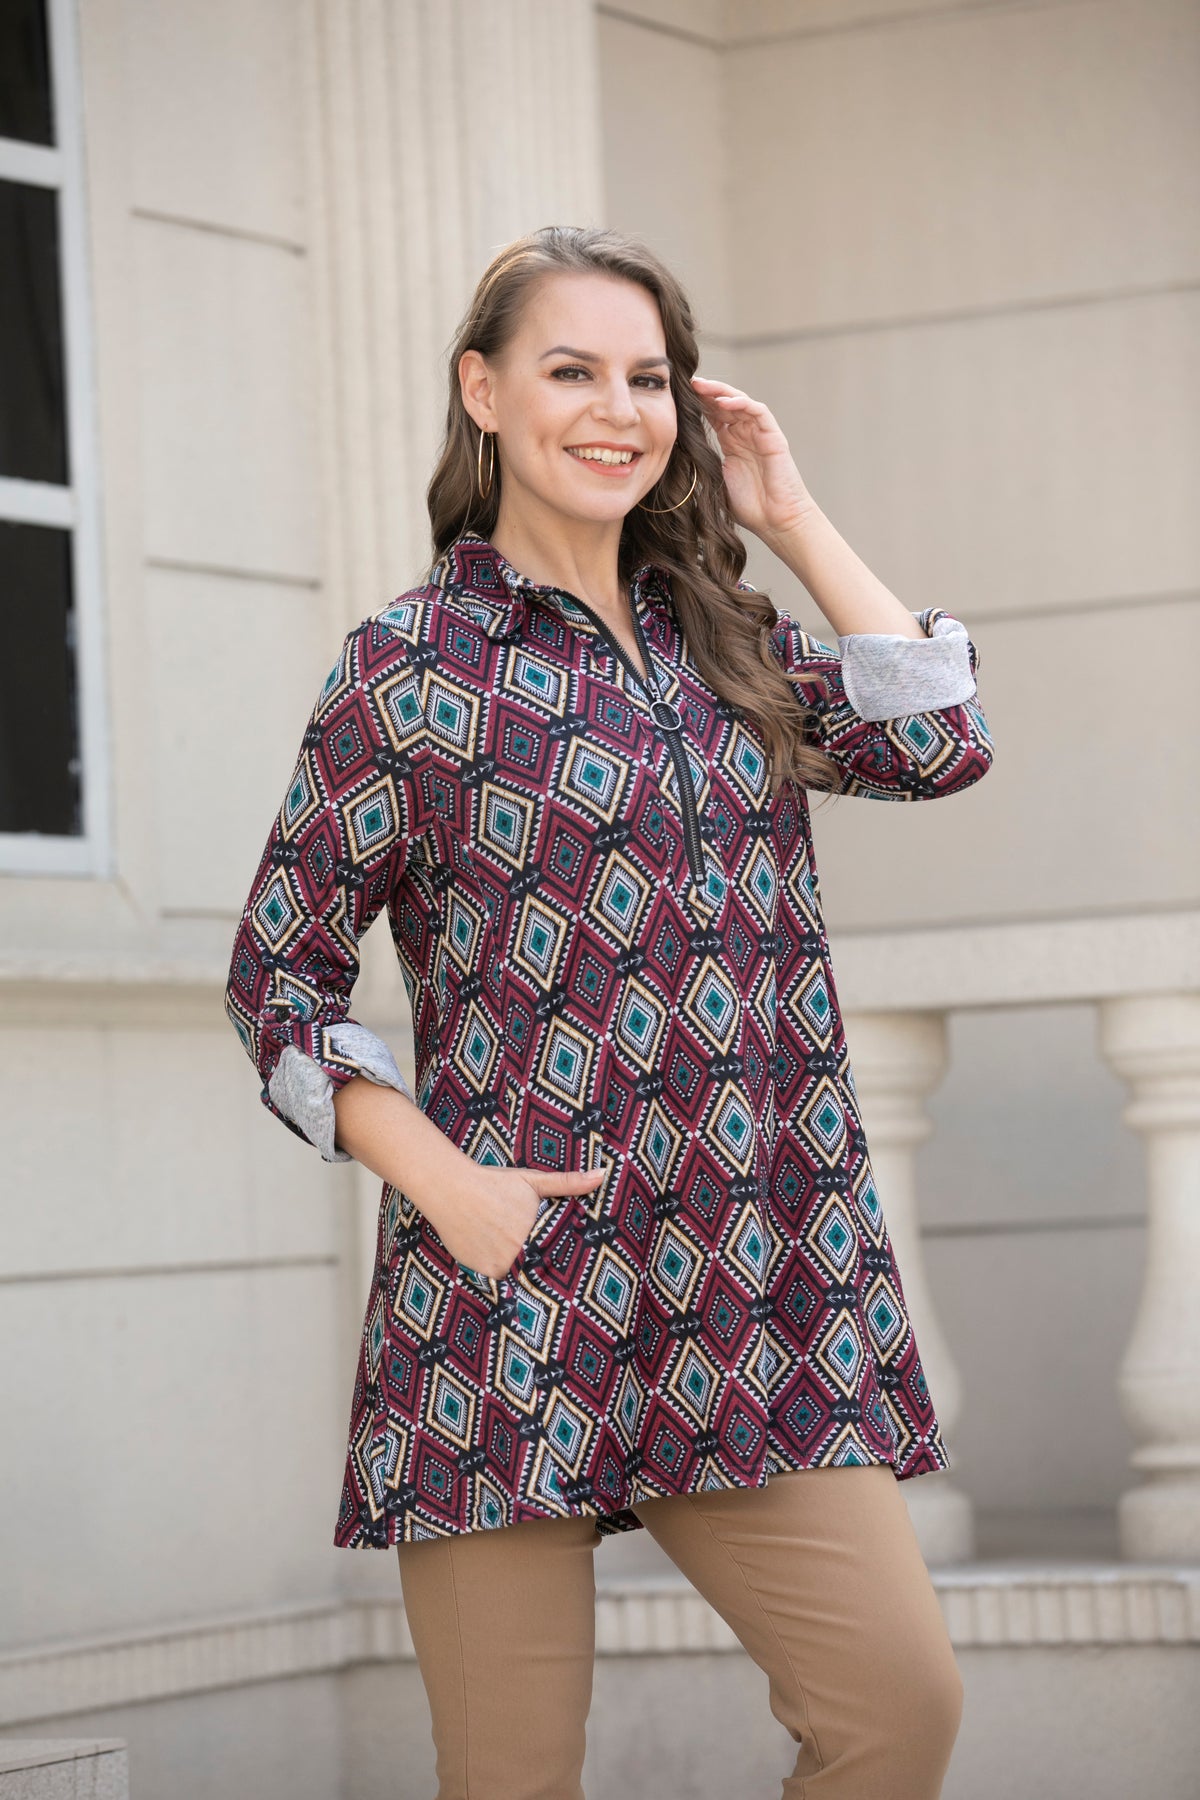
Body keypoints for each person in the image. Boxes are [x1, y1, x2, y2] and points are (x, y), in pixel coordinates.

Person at [225, 224, 994, 1799]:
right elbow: (278, 975)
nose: (616, 410)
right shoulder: (409, 670)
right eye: (571, 369)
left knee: (898, 1710)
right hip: (511, 1292)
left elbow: (941, 741)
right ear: (483, 392)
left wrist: (788, 513)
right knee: (512, 1782)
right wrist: (446, 1184)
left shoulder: (730, 643)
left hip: (750, 1288)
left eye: (647, 378)